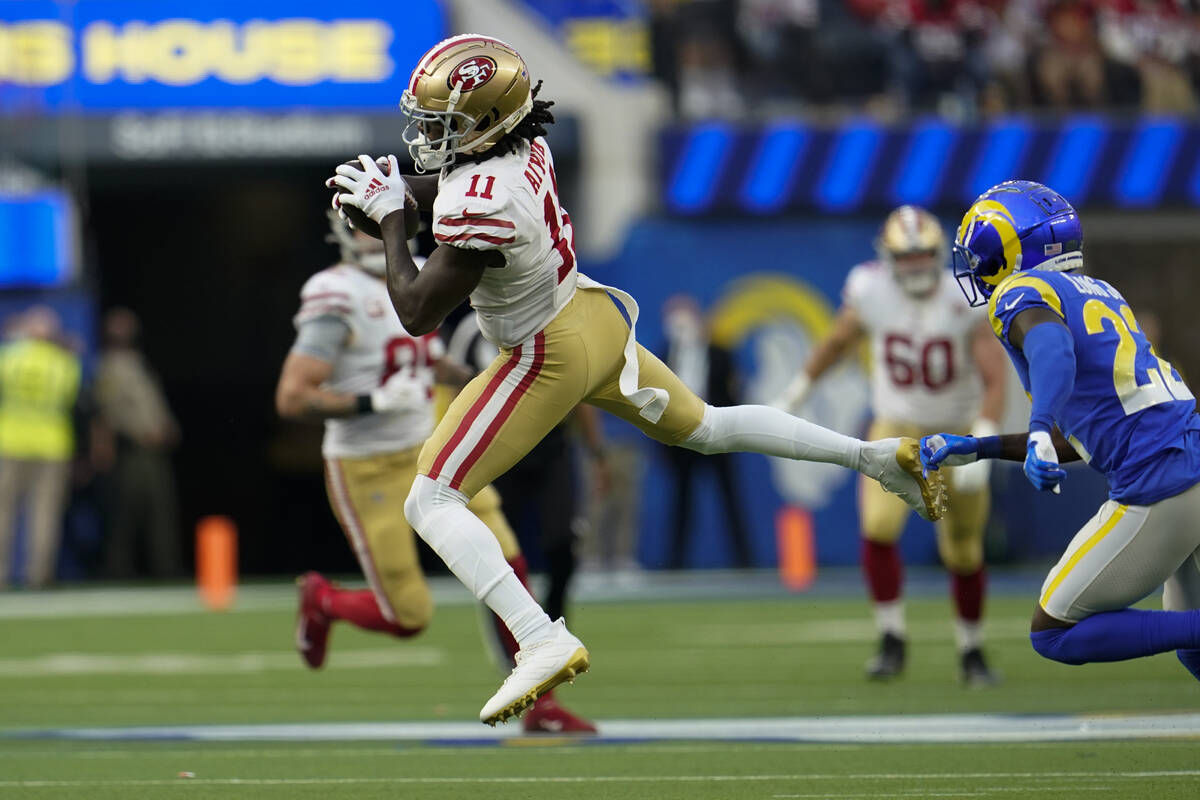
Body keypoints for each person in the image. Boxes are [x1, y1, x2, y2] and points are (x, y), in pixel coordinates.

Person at [327, 33, 944, 726]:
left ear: (489, 120)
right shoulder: (525, 145)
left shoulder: (481, 202)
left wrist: (386, 222)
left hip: (543, 354)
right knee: (707, 426)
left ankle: (539, 639)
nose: (432, 135)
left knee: (431, 497)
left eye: (448, 123)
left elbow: (415, 309)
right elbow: (453, 184)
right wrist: (392, 198)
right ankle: (875, 458)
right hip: (590, 317)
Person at [274, 214, 595, 733]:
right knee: (408, 615)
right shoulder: (334, 293)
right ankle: (325, 600)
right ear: (341, 232)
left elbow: (428, 357)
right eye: (364, 226)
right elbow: (292, 397)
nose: (377, 237)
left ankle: (542, 705)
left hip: (429, 451)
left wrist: (477, 378)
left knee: (507, 563)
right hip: (366, 467)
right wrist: (368, 400)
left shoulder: (418, 271)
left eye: (383, 224)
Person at [920, 179, 1200, 680]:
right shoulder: (1102, 291)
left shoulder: (1020, 292)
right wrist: (982, 447)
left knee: (1053, 632)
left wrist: (1035, 427)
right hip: (1188, 455)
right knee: (1193, 650)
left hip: (1163, 483)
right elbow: (1086, 435)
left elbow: (1052, 349)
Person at [774, 205, 1007, 686]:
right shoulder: (870, 288)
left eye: (924, 255)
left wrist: (983, 431)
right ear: (888, 257)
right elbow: (837, 341)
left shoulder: (965, 297)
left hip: (956, 431)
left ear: (940, 254)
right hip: (895, 427)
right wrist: (797, 391)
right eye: (906, 256)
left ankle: (971, 649)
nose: (917, 265)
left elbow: (994, 377)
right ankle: (891, 638)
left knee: (963, 548)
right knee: (878, 528)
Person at [444, 309, 611, 623]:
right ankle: (509, 637)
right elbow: (458, 397)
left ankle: (555, 624)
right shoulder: (471, 329)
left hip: (551, 444)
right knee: (498, 551)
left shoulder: (554, 318)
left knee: (563, 541)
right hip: (494, 452)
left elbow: (580, 393)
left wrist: (597, 453)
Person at [661, 295, 752, 569]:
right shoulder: (664, 356)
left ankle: (745, 561)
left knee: (730, 497)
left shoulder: (720, 353)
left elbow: (734, 393)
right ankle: (675, 564)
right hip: (683, 439)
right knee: (682, 500)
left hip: (719, 434)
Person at [94, 307, 183, 580]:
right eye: (119, 326)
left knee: (161, 510)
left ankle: (167, 568)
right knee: (126, 512)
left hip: (154, 449)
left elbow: (151, 404)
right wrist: (113, 442)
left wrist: (167, 426)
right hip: (133, 450)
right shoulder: (109, 365)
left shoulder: (138, 362)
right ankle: (117, 569)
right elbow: (108, 410)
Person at [0, 307, 81, 588]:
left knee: (3, 511)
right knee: (44, 513)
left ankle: (1, 574)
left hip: (10, 441)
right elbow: (71, 397)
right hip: (52, 445)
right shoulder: (64, 363)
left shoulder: (9, 358)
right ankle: (38, 575)